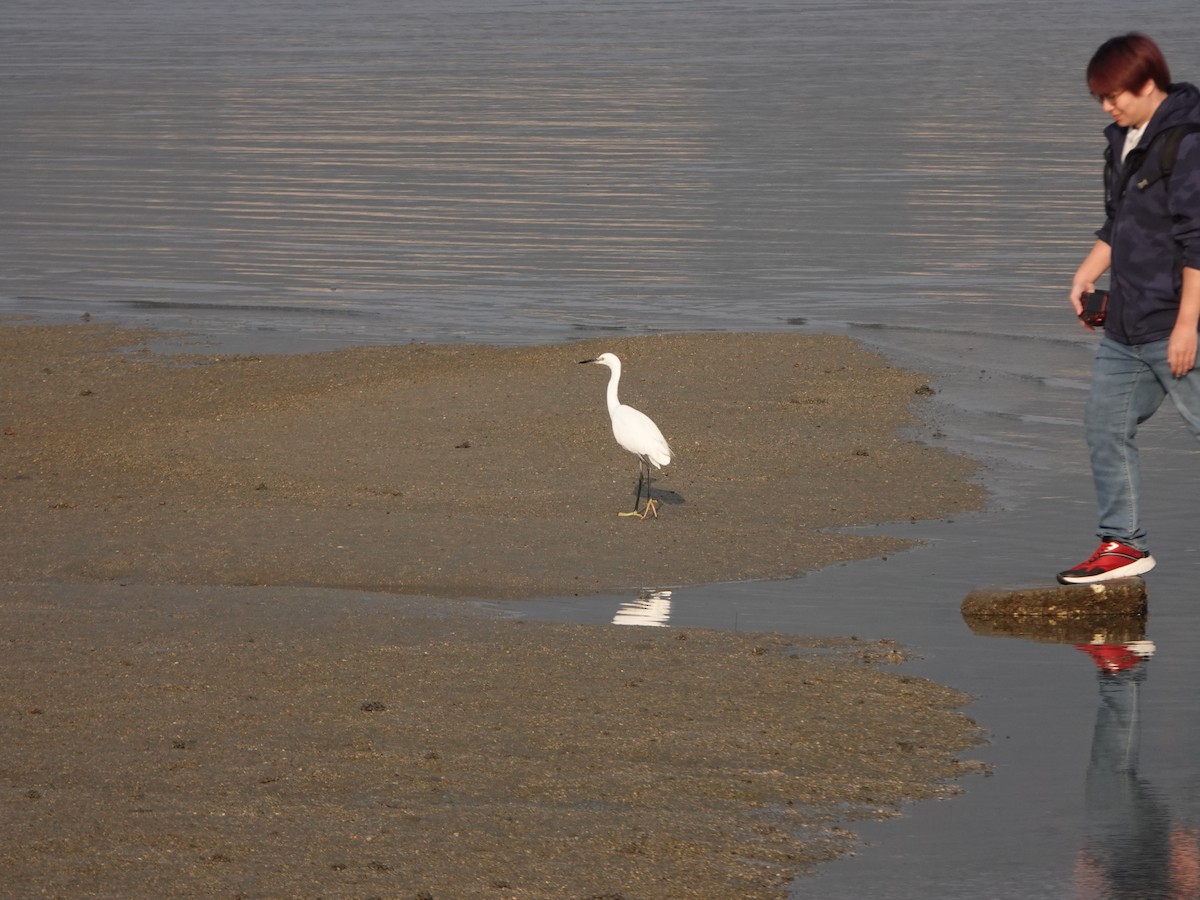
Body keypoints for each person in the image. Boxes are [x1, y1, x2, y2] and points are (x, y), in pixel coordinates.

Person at [1059, 33, 1200, 585]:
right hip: (1127, 323)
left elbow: (1198, 239)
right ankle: (1123, 544)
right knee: (1104, 425)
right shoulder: (1123, 138)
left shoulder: (1186, 142)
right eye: (1100, 98)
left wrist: (1188, 325)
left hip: (1176, 322)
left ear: (1148, 84)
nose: (1107, 106)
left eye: (1115, 95)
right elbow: (1122, 221)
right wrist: (1086, 272)